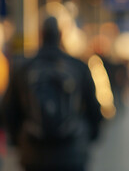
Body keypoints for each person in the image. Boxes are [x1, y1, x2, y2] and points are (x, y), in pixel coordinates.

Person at [1, 16, 103, 171]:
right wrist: (89, 138)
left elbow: (8, 110)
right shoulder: (78, 67)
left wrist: (18, 141)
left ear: (40, 34)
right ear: (61, 35)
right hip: (71, 153)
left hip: (33, 154)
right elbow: (94, 110)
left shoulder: (23, 68)